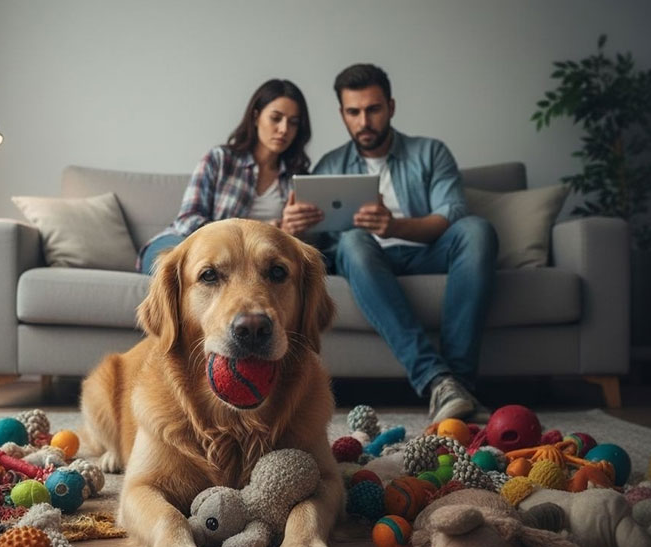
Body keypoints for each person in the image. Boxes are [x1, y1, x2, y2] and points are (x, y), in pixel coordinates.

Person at [281, 63, 497, 422]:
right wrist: (295, 230)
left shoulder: (430, 152)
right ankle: (440, 381)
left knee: (477, 230)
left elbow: (453, 213)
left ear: (391, 107)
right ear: (342, 114)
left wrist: (395, 226)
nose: (364, 120)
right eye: (354, 112)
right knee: (351, 241)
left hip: (428, 251)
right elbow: (316, 248)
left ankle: (455, 384)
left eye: (373, 109)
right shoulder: (329, 164)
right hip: (366, 261)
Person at [139, 79, 313, 274]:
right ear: (256, 117)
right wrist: (257, 229)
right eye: (275, 118)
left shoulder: (297, 178)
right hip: (185, 240)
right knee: (173, 266)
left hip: (252, 264)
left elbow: (299, 250)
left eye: (293, 122)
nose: (284, 129)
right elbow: (189, 218)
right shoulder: (220, 159)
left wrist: (288, 235)